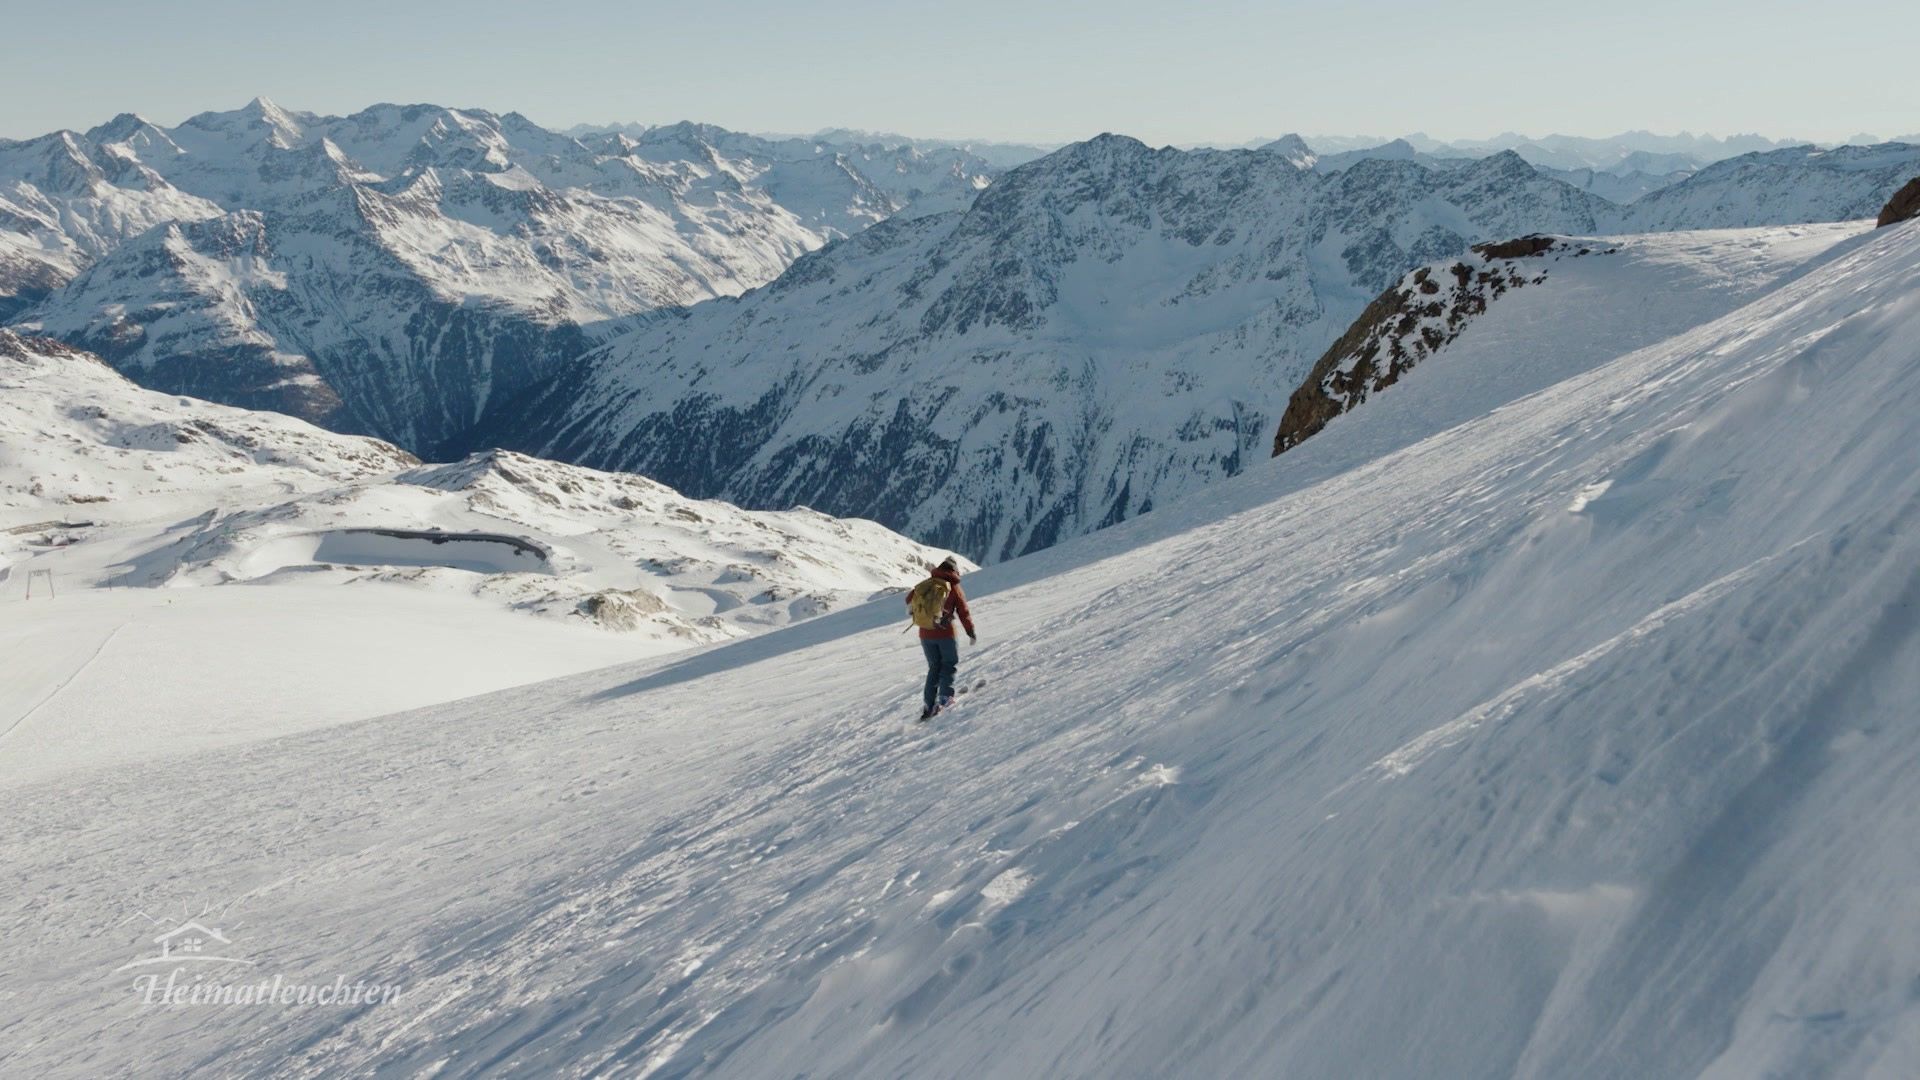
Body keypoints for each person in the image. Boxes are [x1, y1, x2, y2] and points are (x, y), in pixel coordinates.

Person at [907, 556, 976, 719]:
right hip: (945, 634)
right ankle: (945, 698)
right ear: (954, 571)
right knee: (948, 664)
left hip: (925, 633)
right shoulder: (954, 587)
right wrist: (970, 630)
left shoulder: (928, 583)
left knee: (934, 667)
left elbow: (909, 599)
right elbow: (963, 611)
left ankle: (928, 704)